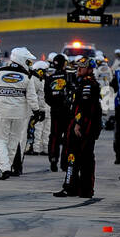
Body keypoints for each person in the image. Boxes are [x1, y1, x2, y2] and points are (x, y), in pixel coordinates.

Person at [0, 47, 39, 180]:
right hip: (20, 113)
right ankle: (6, 167)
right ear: (21, 59)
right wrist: (36, 111)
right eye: (28, 61)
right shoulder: (28, 76)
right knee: (14, 141)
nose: (29, 63)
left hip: (2, 111)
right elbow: (32, 97)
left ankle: (5, 168)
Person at [55, 57, 102, 199]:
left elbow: (85, 107)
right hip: (85, 126)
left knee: (79, 157)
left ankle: (75, 188)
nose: (78, 69)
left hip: (84, 127)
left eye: (82, 67)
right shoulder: (83, 82)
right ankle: (78, 188)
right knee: (78, 157)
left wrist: (78, 124)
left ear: (89, 69)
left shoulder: (88, 84)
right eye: (78, 67)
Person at [44, 54, 72, 172]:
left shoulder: (50, 78)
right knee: (67, 137)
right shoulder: (69, 76)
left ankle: (53, 159)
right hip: (67, 111)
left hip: (55, 111)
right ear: (64, 63)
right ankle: (64, 163)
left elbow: (47, 97)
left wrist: (54, 105)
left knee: (54, 135)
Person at [29, 60, 50, 155]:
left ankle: (38, 148)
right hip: (43, 108)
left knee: (42, 129)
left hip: (42, 108)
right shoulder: (36, 80)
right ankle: (42, 148)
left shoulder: (39, 80)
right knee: (42, 130)